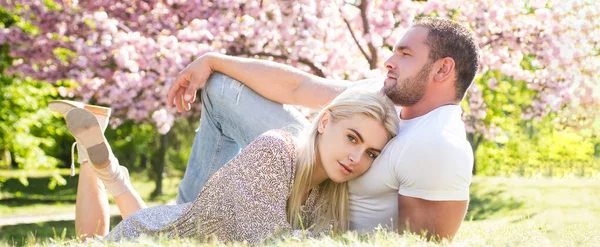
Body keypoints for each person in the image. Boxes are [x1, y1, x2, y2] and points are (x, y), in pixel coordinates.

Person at [168, 17, 480, 240]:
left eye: (405, 54)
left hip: (317, 224)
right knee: (221, 86)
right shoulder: (384, 95)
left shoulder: (438, 145)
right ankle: (186, 213)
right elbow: (299, 87)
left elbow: (420, 243)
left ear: (443, 69)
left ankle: (181, 221)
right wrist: (211, 59)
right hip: (304, 171)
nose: (388, 61)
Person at [51, 90, 399, 243]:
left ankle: (107, 168)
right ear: (324, 122)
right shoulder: (276, 151)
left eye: (371, 153)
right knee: (88, 244)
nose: (357, 158)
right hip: (148, 236)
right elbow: (270, 240)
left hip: (172, 226)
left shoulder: (332, 194)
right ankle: (93, 163)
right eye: (352, 138)